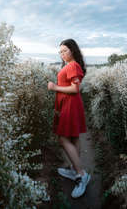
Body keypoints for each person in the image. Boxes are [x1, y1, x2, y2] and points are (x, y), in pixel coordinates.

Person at [47, 38, 90, 198]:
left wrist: (54, 87)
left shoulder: (73, 65)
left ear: (73, 50)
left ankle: (81, 174)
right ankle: (74, 169)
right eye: (60, 52)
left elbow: (75, 88)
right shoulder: (70, 65)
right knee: (73, 137)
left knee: (63, 138)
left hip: (71, 104)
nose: (62, 54)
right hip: (68, 104)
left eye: (65, 50)